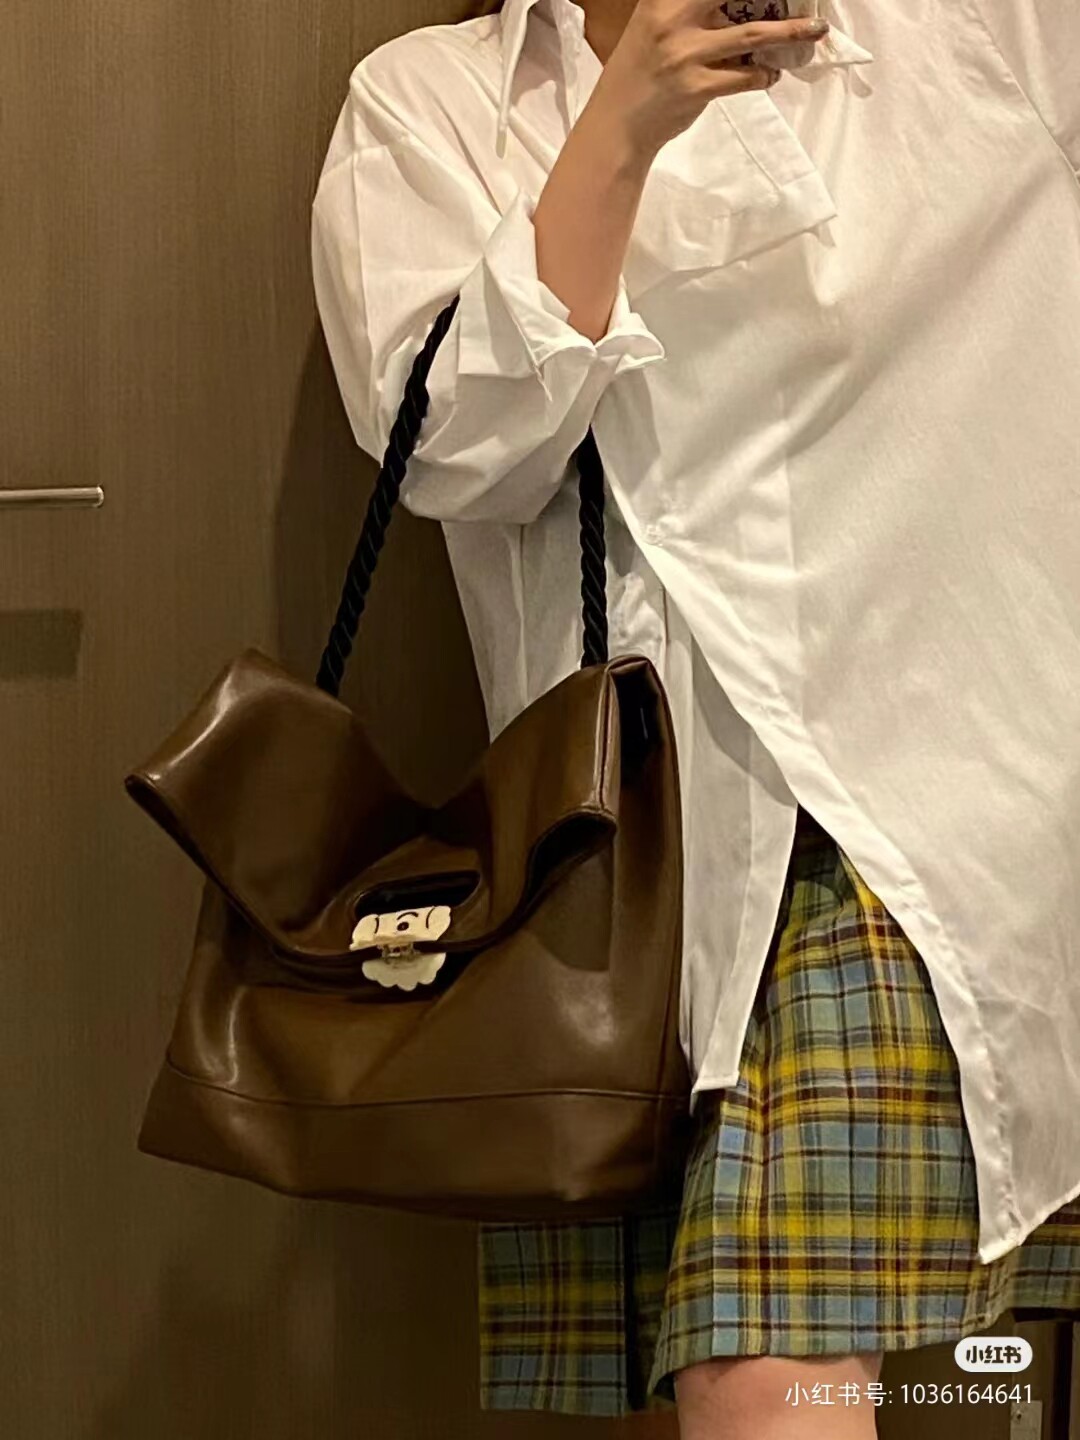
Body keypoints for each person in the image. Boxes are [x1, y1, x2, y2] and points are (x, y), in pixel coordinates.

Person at [310, 1, 1080, 1434]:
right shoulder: (434, 100)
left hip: (924, 819)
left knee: (784, 1378)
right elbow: (450, 451)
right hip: (632, 868)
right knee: (831, 1382)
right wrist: (623, 123)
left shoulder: (976, 33)